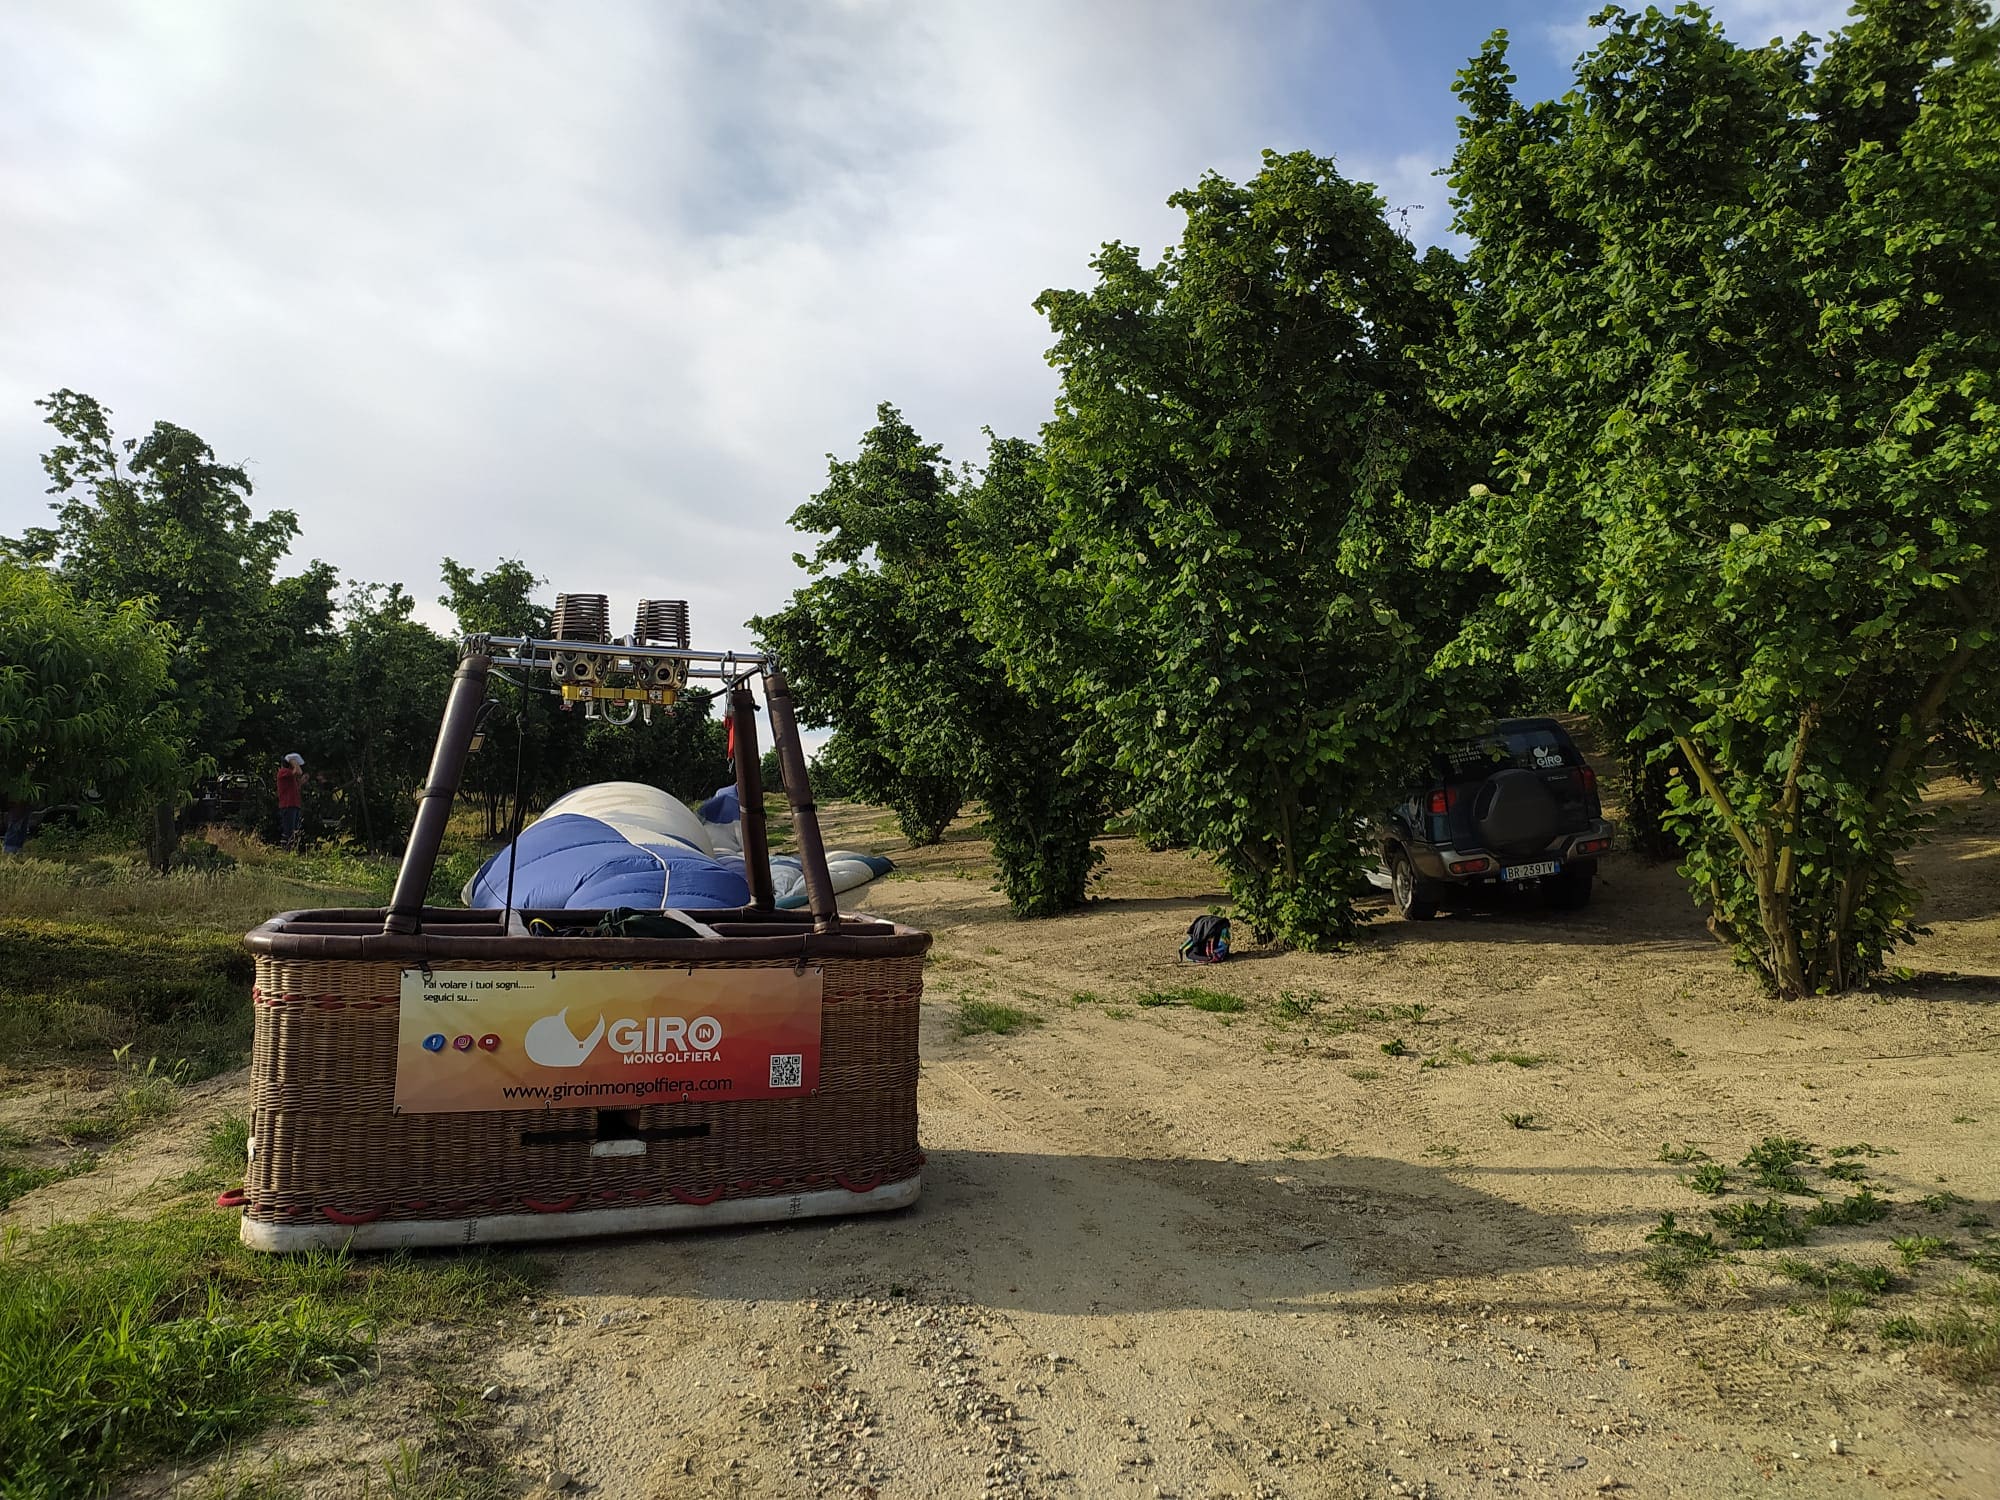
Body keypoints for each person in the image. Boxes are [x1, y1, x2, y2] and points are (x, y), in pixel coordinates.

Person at [276, 753, 305, 851]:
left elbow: (294, 786)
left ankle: (291, 850)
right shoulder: (284, 772)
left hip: (294, 805)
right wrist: (293, 761)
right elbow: (298, 771)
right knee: (289, 831)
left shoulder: (289, 775)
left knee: (295, 831)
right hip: (288, 805)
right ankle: (286, 850)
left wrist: (301, 782)